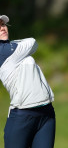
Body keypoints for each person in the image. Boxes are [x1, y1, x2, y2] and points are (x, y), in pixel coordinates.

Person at [0, 15, 55, 148]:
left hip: (46, 113)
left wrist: (14, 43)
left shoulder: (14, 48)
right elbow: (32, 41)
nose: (2, 28)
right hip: (22, 116)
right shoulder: (3, 51)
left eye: (2, 25)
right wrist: (15, 43)